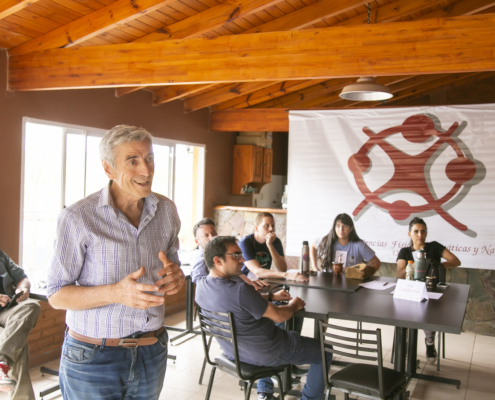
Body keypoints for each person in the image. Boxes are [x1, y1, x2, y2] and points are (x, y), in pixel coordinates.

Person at [47, 125, 185, 400]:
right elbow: (56, 295)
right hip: (92, 357)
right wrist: (115, 293)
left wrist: (176, 277)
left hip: (152, 351)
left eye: (149, 158)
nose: (146, 170)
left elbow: (173, 267)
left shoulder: (167, 210)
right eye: (132, 161)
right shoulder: (78, 217)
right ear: (108, 169)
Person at [195, 236, 333, 400]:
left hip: (235, 352)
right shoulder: (241, 291)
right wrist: (294, 305)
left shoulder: (201, 286)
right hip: (267, 352)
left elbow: (238, 303)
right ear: (217, 260)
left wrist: (271, 296)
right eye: (236, 255)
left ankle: (264, 392)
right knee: (324, 351)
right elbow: (279, 316)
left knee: (277, 333)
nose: (242, 260)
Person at [396, 217, 461, 363]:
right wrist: (414, 265)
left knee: (428, 311)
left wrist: (437, 266)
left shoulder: (435, 247)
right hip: (410, 292)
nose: (420, 235)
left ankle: (429, 341)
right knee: (403, 313)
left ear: (426, 233)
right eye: (416, 231)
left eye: (423, 231)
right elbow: (399, 274)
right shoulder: (405, 252)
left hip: (431, 291)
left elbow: (456, 261)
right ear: (409, 234)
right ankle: (405, 343)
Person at [0, 250, 40, 399]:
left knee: (32, 306)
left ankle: (2, 361)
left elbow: (22, 278)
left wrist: (24, 288)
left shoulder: (1, 255)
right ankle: (2, 361)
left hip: (7, 313)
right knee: (18, 347)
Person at [191, 218, 268, 290]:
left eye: (214, 233)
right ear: (197, 242)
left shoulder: (218, 253)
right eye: (206, 235)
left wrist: (248, 281)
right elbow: (204, 288)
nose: (212, 237)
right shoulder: (201, 261)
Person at [239, 212, 307, 282]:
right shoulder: (245, 242)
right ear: (256, 228)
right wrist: (287, 275)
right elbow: (257, 272)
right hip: (245, 282)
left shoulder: (275, 241)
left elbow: (282, 269)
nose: (271, 229)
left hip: (263, 281)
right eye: (266, 226)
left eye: (273, 226)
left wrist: (270, 245)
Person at [310, 213, 381, 273]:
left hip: (352, 282)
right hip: (328, 281)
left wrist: (366, 275)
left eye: (345, 226)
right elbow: (313, 246)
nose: (341, 229)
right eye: (338, 226)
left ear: (351, 229)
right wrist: (314, 267)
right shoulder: (328, 241)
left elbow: (376, 262)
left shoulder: (359, 245)